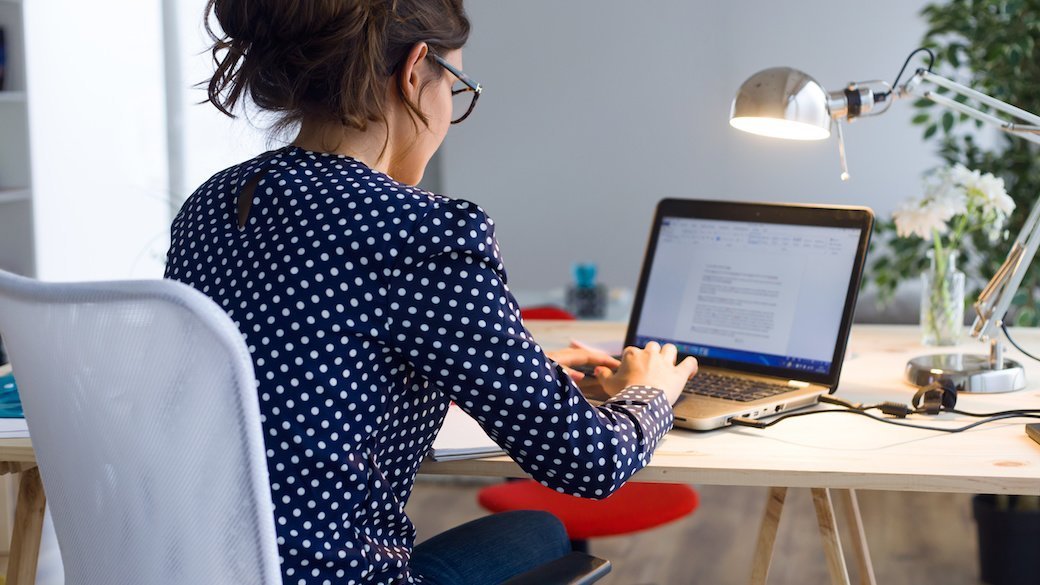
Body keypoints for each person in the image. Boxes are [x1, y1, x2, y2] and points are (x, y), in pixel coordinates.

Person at [165, 1, 697, 583]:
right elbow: (588, 462)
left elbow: (296, 376)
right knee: (546, 531)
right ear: (417, 70)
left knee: (536, 532)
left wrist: (513, 368)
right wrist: (652, 393)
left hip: (202, 566)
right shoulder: (422, 231)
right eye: (457, 85)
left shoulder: (214, 203)